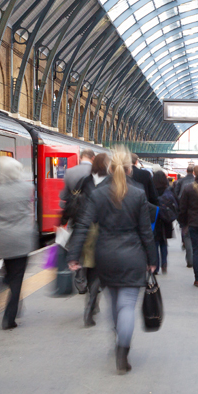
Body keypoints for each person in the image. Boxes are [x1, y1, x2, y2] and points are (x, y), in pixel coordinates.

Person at [68, 148, 156, 375]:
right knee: (127, 305)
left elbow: (84, 225)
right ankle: (122, 351)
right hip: (133, 256)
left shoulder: (98, 194)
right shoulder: (138, 194)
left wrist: (73, 255)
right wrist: (152, 259)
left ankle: (117, 335)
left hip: (105, 256)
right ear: (129, 169)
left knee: (114, 303)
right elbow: (146, 232)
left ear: (110, 168)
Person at [0, 157, 37, 330]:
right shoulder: (28, 187)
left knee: (10, 275)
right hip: (22, 239)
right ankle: (9, 318)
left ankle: (9, 285)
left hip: (3, 240)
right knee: (17, 279)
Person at [76, 153, 111, 327]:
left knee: (91, 268)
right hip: (104, 230)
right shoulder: (112, 182)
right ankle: (91, 305)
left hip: (86, 229)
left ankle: (91, 302)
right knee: (99, 271)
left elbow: (75, 203)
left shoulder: (85, 181)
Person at [60, 149, 95, 294]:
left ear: (80, 158)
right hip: (94, 217)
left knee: (78, 247)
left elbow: (64, 196)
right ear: (93, 158)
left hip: (77, 216)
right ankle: (93, 280)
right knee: (92, 248)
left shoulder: (70, 172)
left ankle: (80, 281)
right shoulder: (98, 172)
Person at [153, 170, 176, 275]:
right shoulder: (168, 191)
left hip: (155, 219)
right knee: (164, 242)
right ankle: (164, 264)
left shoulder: (152, 191)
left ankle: (156, 267)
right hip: (166, 219)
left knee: (155, 243)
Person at [174, 166, 195, 268]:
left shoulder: (181, 181)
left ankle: (189, 256)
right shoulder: (197, 181)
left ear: (187, 171)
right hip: (196, 213)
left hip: (184, 211)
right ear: (193, 172)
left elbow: (176, 195)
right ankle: (195, 257)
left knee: (186, 233)